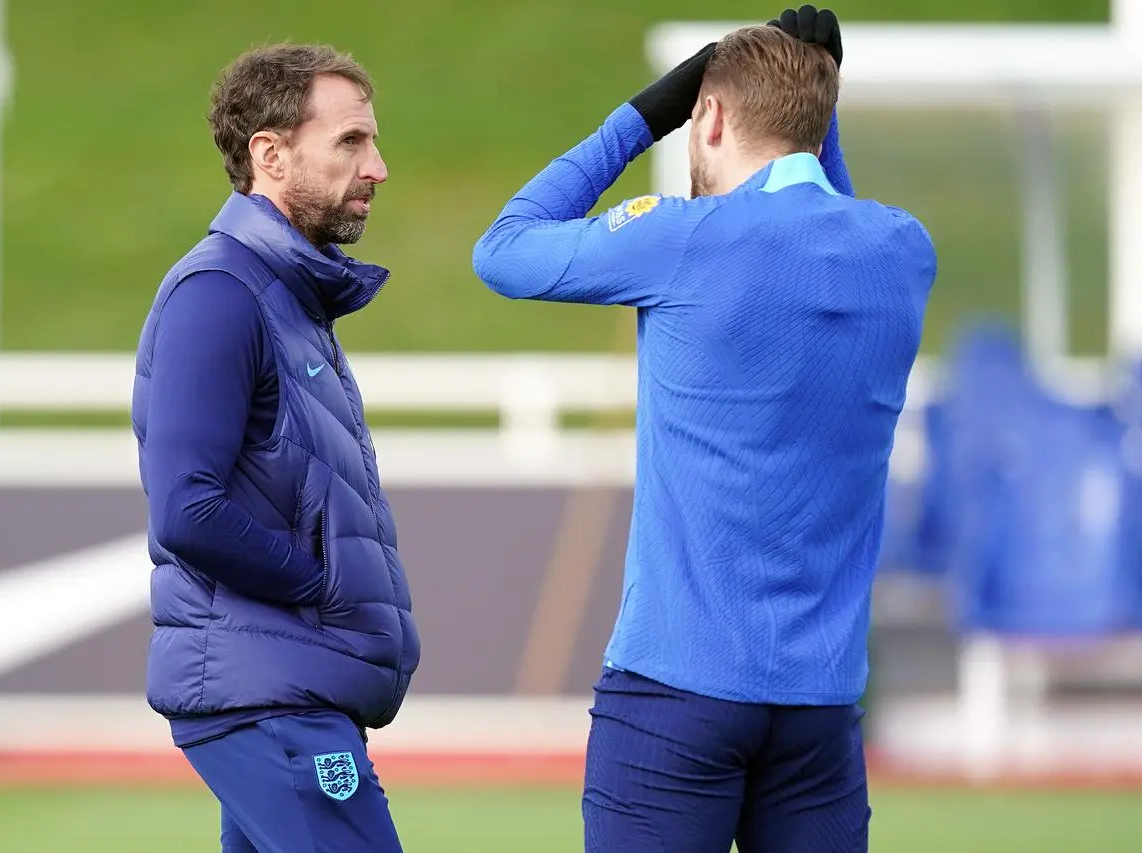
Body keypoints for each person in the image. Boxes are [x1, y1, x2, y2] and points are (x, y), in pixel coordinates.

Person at [472, 7, 936, 852]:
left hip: (673, 695)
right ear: (819, 126)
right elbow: (834, 221)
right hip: (821, 711)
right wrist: (818, 113)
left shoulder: (683, 239)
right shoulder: (903, 251)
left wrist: (647, 113)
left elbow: (503, 249)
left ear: (709, 117)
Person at [130, 42, 419, 853]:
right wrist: (319, 586)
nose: (378, 167)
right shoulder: (220, 294)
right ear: (271, 154)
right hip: (269, 696)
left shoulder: (287, 297)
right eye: (352, 142)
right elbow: (188, 509)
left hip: (287, 685)